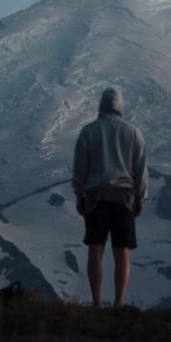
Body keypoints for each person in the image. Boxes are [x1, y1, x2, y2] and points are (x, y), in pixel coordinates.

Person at [71, 87, 148, 308]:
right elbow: (140, 169)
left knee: (95, 248)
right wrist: (140, 198)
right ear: (120, 106)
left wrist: (79, 193)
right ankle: (118, 302)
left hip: (96, 197)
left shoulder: (89, 131)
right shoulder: (133, 132)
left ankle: (95, 302)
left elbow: (80, 167)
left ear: (101, 106)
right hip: (124, 197)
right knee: (121, 250)